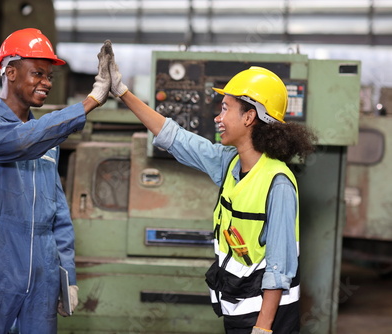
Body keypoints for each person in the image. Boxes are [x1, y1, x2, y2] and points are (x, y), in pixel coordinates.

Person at [104, 41, 316, 334]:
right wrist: (122, 93)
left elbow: (279, 269)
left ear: (249, 116)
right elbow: (176, 138)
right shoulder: (229, 163)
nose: (218, 117)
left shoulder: (277, 184)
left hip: (266, 318)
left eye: (226, 108)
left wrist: (263, 329)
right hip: (238, 305)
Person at [0, 28, 111, 333]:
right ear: (10, 72)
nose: (46, 83)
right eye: (38, 74)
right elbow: (21, 142)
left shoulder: (47, 138)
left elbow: (59, 216)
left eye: (49, 77)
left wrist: (66, 274)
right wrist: (90, 101)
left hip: (43, 271)